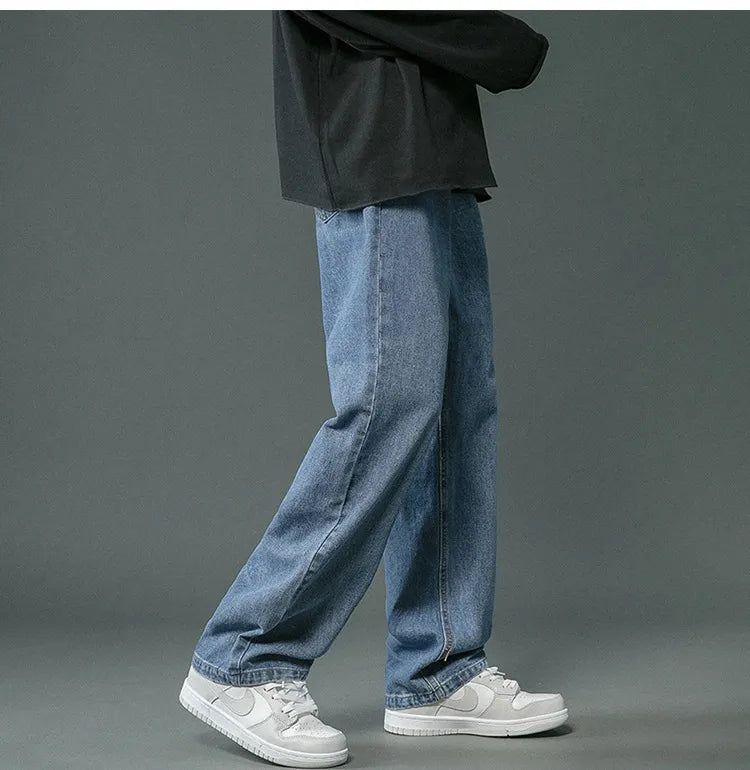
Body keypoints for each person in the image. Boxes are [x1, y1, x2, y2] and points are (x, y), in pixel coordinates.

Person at [178, 11, 567, 767]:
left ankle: (436, 669)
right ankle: (242, 656)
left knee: (458, 408)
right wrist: (503, 43)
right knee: (391, 404)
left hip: (439, 149)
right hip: (372, 144)